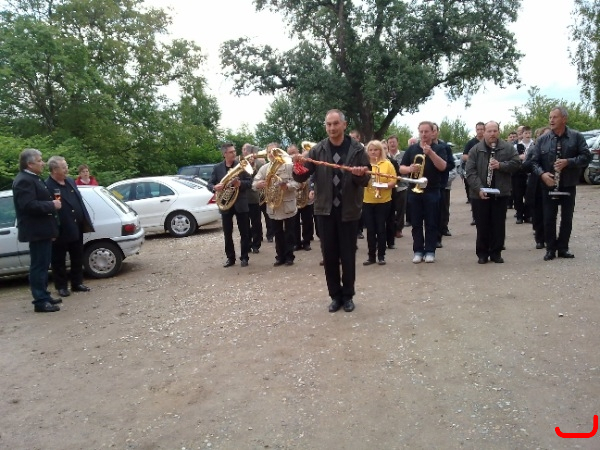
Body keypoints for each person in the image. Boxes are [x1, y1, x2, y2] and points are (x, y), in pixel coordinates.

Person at [292, 109, 370, 313]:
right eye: (328, 124)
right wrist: (297, 165)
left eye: (335, 124)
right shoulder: (317, 150)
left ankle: (348, 295)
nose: (332, 128)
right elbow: (301, 177)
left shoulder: (357, 150)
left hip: (349, 210)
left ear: (344, 125)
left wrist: (359, 174)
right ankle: (335, 296)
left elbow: (366, 179)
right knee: (329, 255)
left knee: (348, 255)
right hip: (325, 211)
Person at [530, 106, 592, 261]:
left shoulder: (576, 137)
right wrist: (543, 175)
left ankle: (563, 248)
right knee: (549, 218)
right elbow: (533, 162)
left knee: (567, 218)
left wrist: (568, 162)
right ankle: (550, 249)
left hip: (568, 183)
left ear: (564, 119)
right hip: (548, 184)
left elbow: (586, 156)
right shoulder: (543, 139)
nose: (551, 120)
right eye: (550, 117)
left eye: (555, 117)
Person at [12, 149, 62, 312]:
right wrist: (51, 205)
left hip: (43, 229)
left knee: (43, 264)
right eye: (40, 160)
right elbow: (28, 205)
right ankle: (40, 300)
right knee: (39, 266)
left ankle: (44, 295)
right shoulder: (24, 181)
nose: (43, 163)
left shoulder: (33, 178)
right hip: (36, 230)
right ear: (30, 164)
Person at [465, 121, 520, 264]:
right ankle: (482, 253)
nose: (492, 134)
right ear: (484, 133)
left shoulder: (508, 148)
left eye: (495, 131)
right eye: (489, 131)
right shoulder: (475, 149)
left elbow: (517, 164)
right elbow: (470, 172)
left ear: (499, 132)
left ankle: (496, 252)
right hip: (479, 194)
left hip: (500, 193)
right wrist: (479, 189)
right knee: (482, 225)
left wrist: (501, 165)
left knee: (498, 224)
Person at [45, 156, 94, 297]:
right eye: (64, 167)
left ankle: (77, 283)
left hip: (76, 225)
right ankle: (61, 286)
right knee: (58, 259)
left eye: (66, 166)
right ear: (54, 170)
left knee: (77, 256)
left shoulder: (70, 181)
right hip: (60, 229)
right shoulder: (47, 186)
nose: (67, 169)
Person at [399, 121, 448, 264]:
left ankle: (430, 251)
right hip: (414, 191)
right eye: (421, 131)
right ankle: (418, 251)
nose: (424, 134)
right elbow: (401, 168)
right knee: (416, 223)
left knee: (432, 222)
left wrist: (431, 153)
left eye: (426, 131)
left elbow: (443, 166)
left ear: (432, 132)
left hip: (432, 190)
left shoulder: (439, 148)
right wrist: (409, 169)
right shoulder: (412, 149)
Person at [207, 143, 252, 268]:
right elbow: (209, 184)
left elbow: (249, 183)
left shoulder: (241, 165)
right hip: (225, 203)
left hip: (240, 203)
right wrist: (214, 187)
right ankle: (230, 258)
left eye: (234, 151)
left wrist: (240, 184)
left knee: (244, 232)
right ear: (224, 154)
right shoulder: (217, 168)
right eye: (231, 152)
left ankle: (244, 257)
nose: (234, 153)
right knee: (227, 233)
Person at [253, 148, 299, 266]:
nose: (272, 155)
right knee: (277, 233)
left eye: (274, 152)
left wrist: (287, 186)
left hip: (287, 204)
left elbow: (298, 182)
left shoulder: (289, 166)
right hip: (273, 206)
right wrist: (258, 184)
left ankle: (289, 257)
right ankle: (280, 257)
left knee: (289, 233)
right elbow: (254, 183)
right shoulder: (264, 168)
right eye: (269, 152)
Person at [362, 140, 396, 265]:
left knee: (381, 228)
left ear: (380, 151)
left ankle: (381, 256)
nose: (373, 152)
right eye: (370, 150)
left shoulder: (387, 164)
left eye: (375, 150)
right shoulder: (364, 165)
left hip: (383, 201)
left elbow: (394, 181)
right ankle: (371, 256)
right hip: (367, 200)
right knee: (370, 230)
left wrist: (384, 185)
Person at [432, 123, 456, 248]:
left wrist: (442, 167)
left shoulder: (445, 147)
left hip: (441, 184)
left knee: (441, 210)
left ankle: (438, 236)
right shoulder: (419, 147)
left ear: (437, 132)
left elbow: (451, 164)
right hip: (426, 185)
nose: (432, 133)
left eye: (434, 130)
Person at [288, 145, 314, 251]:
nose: (292, 155)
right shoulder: (288, 165)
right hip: (294, 196)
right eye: (290, 153)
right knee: (294, 222)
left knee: (307, 220)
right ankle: (296, 243)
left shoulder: (304, 160)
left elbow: (311, 176)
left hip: (306, 195)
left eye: (294, 152)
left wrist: (309, 187)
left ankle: (306, 242)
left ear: (298, 151)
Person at [241, 143, 264, 253]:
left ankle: (256, 244)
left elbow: (260, 176)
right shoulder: (239, 162)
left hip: (253, 196)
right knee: (244, 224)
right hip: (242, 197)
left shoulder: (258, 162)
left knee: (256, 223)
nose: (244, 151)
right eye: (243, 149)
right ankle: (247, 244)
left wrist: (253, 164)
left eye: (246, 149)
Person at [462, 122, 485, 223]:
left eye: (481, 129)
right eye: (478, 129)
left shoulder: (488, 142)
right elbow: (464, 156)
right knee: (475, 194)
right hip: (474, 171)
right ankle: (475, 217)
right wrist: (475, 159)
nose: (480, 131)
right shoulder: (471, 143)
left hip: (487, 172)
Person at [513, 126, 534, 224]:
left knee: (529, 195)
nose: (528, 135)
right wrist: (519, 157)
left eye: (529, 133)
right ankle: (519, 215)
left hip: (531, 172)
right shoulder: (517, 146)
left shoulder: (534, 144)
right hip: (519, 173)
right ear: (522, 134)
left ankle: (528, 215)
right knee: (518, 195)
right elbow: (512, 158)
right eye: (526, 133)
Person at [387, 135, 407, 239]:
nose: (392, 144)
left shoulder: (404, 154)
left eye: (394, 142)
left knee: (400, 209)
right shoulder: (384, 155)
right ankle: (390, 229)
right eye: (390, 142)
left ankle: (399, 229)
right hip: (389, 187)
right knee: (390, 209)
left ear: (397, 143)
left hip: (401, 186)